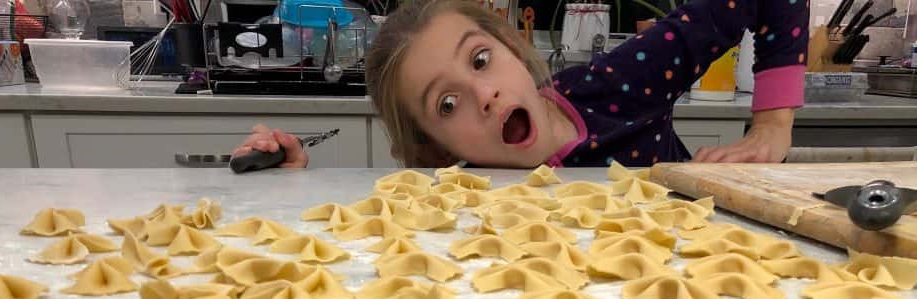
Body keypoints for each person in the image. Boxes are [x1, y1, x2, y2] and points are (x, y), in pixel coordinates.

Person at [232, 0, 807, 169]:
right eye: (447, 103)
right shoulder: (460, 185)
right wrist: (291, 186)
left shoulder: (616, 84)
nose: (483, 96)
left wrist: (773, 124)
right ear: (437, 147)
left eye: (480, 60)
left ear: (513, 49)